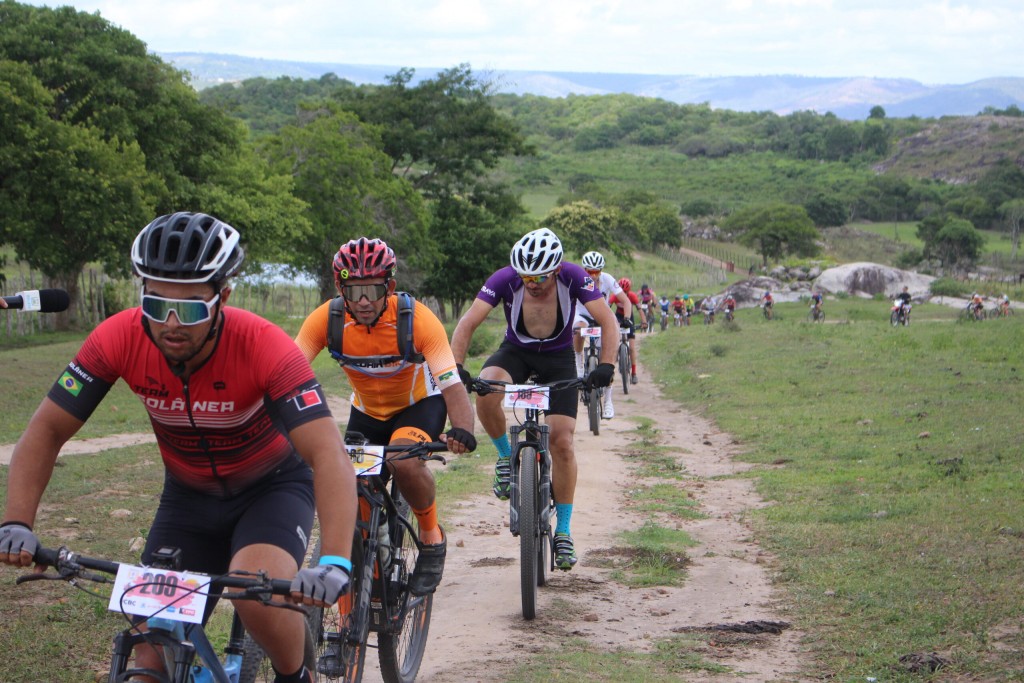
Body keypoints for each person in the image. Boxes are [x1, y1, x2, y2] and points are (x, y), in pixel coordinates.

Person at [0, 212, 357, 683]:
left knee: (255, 596)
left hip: (271, 490)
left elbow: (328, 455)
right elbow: (46, 430)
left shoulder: (264, 346)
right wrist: (16, 522)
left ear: (222, 297)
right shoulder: (118, 338)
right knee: (149, 661)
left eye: (189, 310)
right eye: (155, 305)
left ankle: (297, 676)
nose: (170, 324)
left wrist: (333, 562)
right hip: (188, 501)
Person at [293, 237, 477, 597]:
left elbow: (451, 383)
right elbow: (286, 374)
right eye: (354, 291)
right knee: (351, 487)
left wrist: (463, 429)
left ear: (389, 287)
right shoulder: (327, 320)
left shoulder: (416, 320)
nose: (363, 301)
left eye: (373, 290)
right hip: (367, 412)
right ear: (341, 289)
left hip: (419, 406)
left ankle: (431, 538)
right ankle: (364, 579)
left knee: (402, 461)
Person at [450, 228, 619, 570]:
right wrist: (456, 367)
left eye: (540, 277)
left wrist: (607, 365)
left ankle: (564, 531)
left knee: (562, 441)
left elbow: (608, 321)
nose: (532, 284)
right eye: (526, 277)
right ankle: (504, 457)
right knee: (486, 391)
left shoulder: (574, 277)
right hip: (517, 352)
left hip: (558, 358)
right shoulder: (504, 279)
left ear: (556, 270)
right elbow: (467, 323)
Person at [572, 251, 631, 419]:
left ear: (601, 270)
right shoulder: (578, 279)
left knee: (607, 357)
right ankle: (579, 361)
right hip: (582, 315)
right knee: (578, 328)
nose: (593, 275)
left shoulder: (608, 279)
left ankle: (608, 401)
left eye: (596, 271)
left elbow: (625, 301)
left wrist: (627, 319)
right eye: (589, 271)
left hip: (600, 316)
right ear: (584, 270)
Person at [615, 278, 644, 384]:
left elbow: (640, 310)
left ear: (629, 291)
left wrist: (644, 321)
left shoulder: (632, 296)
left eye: (625, 292)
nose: (623, 294)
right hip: (618, 317)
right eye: (621, 292)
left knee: (631, 348)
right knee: (613, 343)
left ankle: (634, 373)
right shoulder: (615, 295)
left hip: (629, 318)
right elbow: (607, 306)